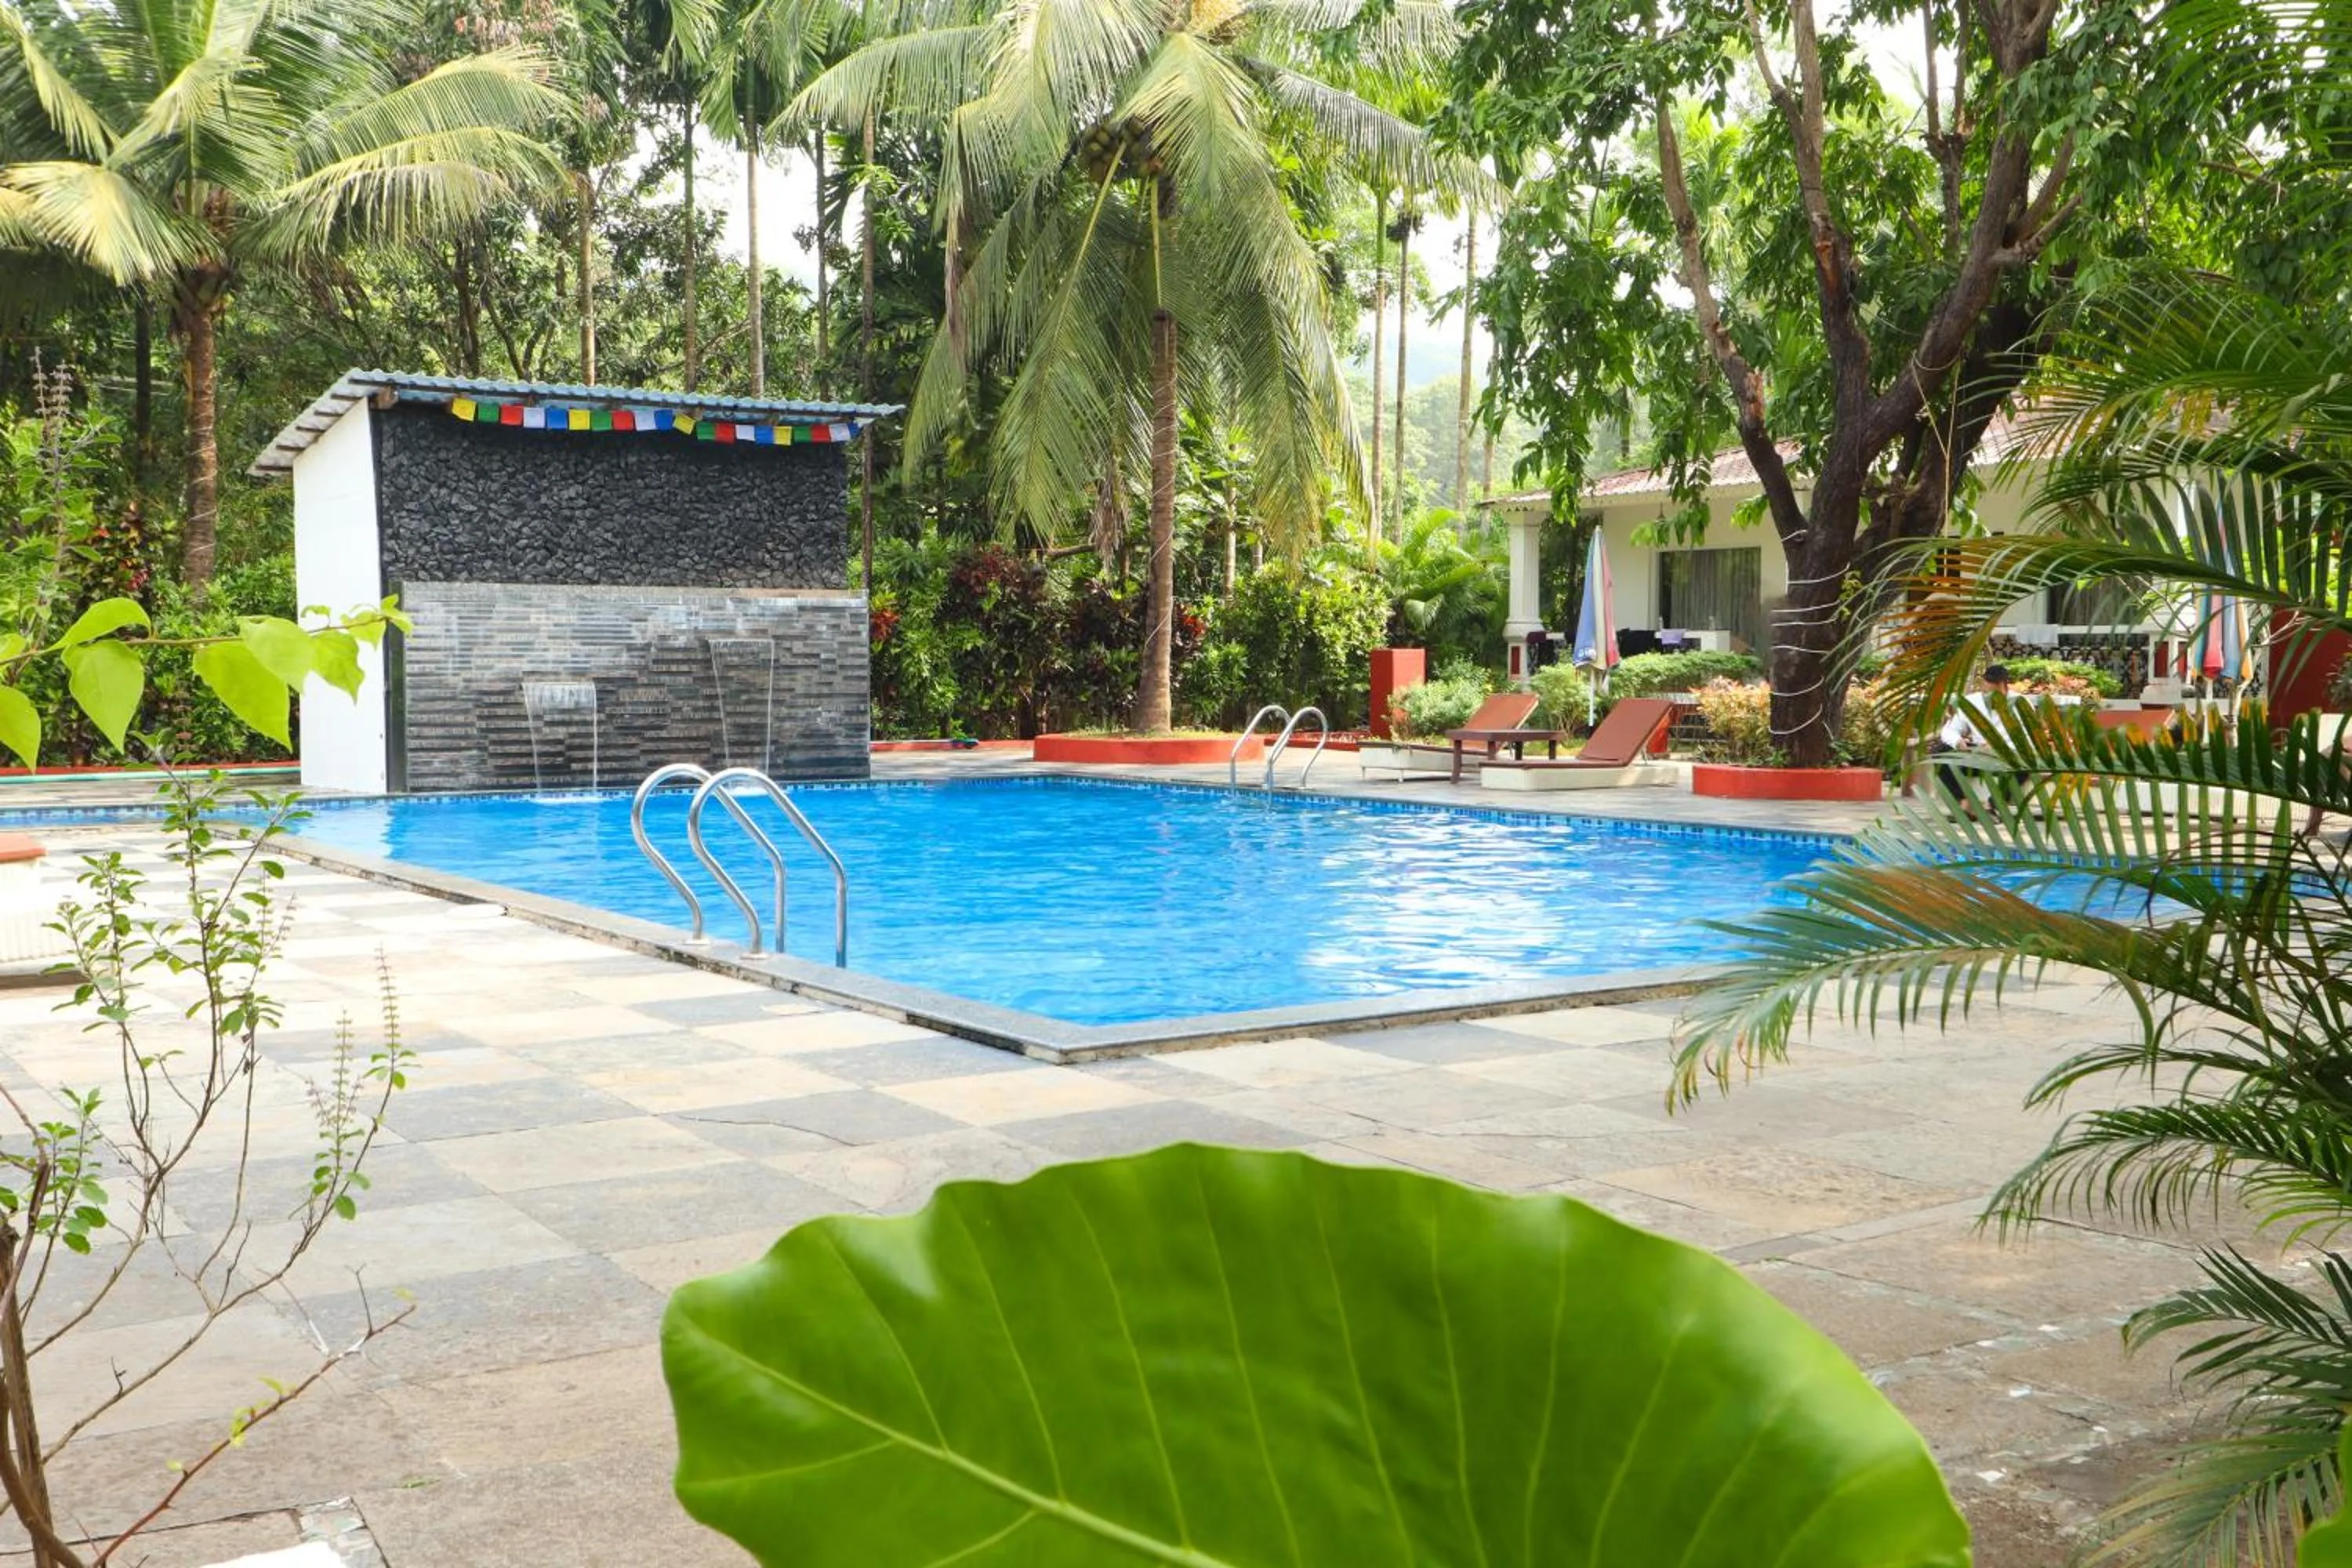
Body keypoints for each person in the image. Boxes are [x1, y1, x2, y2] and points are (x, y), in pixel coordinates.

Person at [1929, 663, 2013, 800]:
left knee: (2024, 766)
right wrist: (1958, 742)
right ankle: (1964, 802)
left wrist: (1999, 747)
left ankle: (1994, 805)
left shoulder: (2020, 703)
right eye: (1986, 693)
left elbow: (2028, 741)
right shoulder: (1972, 702)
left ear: (2006, 688)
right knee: (1940, 752)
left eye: (1995, 694)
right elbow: (1948, 731)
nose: (1989, 699)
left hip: (2008, 759)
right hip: (1978, 757)